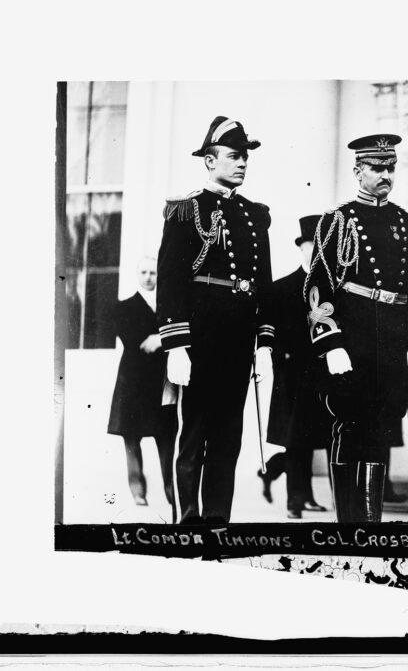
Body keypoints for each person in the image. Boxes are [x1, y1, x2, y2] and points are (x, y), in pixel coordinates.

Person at [305, 133, 408, 523]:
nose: (385, 174)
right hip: (353, 340)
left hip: (392, 341)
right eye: (377, 168)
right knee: (349, 427)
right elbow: (316, 286)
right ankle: (350, 522)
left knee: (381, 430)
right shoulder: (337, 220)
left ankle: (371, 523)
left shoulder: (406, 224)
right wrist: (331, 341)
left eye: (390, 167)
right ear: (358, 171)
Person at [157, 116, 273, 524]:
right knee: (195, 436)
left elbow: (265, 285)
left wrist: (264, 345)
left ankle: (216, 521)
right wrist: (176, 346)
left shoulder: (256, 216)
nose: (242, 163)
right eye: (234, 156)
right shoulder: (185, 211)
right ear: (209, 161)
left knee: (228, 439)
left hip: (239, 341)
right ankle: (188, 521)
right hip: (201, 339)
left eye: (245, 157)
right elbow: (170, 281)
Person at [257, 215, 331, 519]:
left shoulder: (333, 289)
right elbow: (270, 329)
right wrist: (276, 361)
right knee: (296, 438)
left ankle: (305, 493)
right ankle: (294, 502)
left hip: (326, 374)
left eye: (320, 248)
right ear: (301, 249)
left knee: (318, 437)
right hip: (293, 375)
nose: (314, 252)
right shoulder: (282, 288)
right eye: (310, 246)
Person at [106, 256, 176, 511]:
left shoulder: (168, 306)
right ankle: (137, 490)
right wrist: (161, 339)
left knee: (166, 437)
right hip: (133, 382)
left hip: (161, 380)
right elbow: (136, 342)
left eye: (153, 273)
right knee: (131, 437)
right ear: (137, 275)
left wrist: (159, 339)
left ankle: (172, 490)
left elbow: (169, 338)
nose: (149, 277)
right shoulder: (123, 307)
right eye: (144, 272)